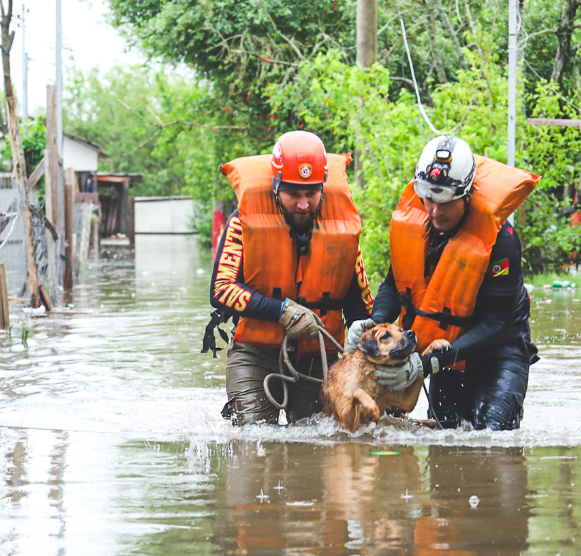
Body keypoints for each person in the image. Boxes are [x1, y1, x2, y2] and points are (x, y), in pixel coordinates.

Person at [346, 136, 539, 430]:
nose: (436, 211)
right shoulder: (416, 226)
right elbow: (393, 284)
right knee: (445, 438)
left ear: (467, 195)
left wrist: (428, 363)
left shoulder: (502, 242)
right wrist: (375, 322)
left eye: (446, 202)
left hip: (498, 351)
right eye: (429, 199)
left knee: (495, 440)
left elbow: (498, 324)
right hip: (443, 351)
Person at [208, 131, 373, 424]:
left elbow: (361, 309)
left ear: (323, 187)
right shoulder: (241, 223)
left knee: (322, 446)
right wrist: (282, 311)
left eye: (311, 194)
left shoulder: (343, 230)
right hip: (256, 355)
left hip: (319, 358)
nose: (303, 204)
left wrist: (371, 360)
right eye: (293, 194)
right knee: (254, 441)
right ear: (275, 188)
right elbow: (222, 289)